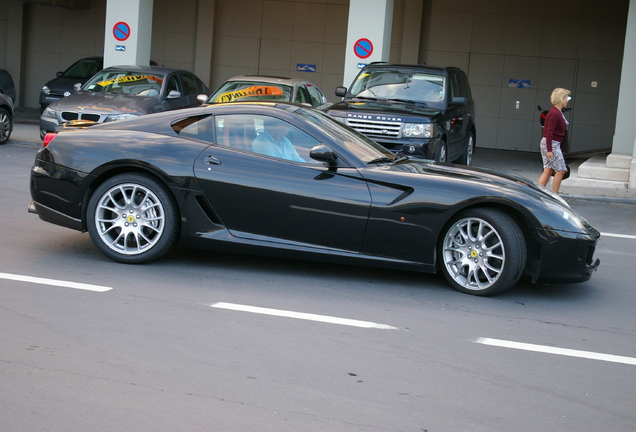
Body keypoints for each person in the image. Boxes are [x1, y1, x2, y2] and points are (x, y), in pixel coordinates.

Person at [538, 88, 570, 193]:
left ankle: (538, 192)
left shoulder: (556, 111)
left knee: (548, 169)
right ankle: (555, 195)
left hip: (550, 143)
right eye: (566, 98)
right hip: (551, 143)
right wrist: (549, 150)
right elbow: (549, 131)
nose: (567, 100)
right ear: (561, 99)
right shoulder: (555, 113)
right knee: (561, 170)